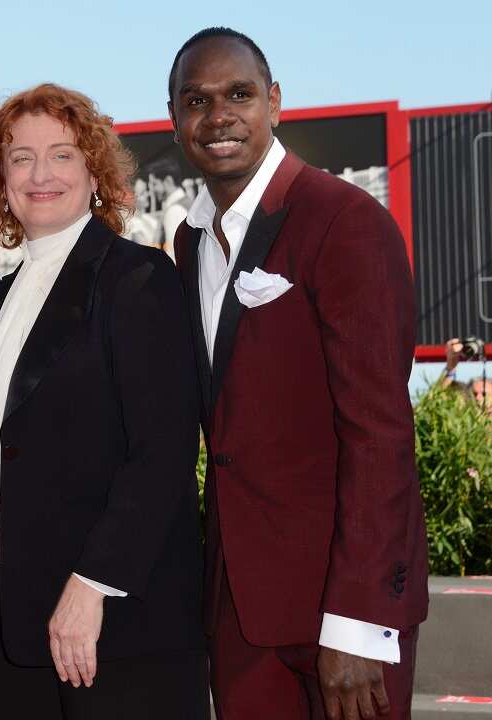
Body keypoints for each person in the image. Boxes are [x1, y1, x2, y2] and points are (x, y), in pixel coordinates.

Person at [168, 28, 428, 720]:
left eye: (239, 95)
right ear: (175, 118)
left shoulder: (345, 221)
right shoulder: (190, 240)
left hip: (341, 615)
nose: (218, 116)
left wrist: (357, 620)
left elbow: (380, 435)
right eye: (196, 100)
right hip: (240, 610)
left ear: (275, 102)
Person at [0, 83, 206, 719]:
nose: (40, 174)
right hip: (13, 618)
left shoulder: (138, 278)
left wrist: (92, 586)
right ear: (0, 180)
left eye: (61, 155)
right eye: (20, 157)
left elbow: (164, 451)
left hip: (110, 624)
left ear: (94, 171)